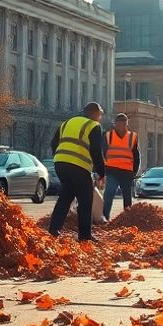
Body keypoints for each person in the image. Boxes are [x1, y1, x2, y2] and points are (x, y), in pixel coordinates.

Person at [48, 102, 108, 242]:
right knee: (85, 200)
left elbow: (53, 143)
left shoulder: (66, 123)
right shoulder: (93, 126)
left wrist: (60, 158)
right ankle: (84, 236)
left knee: (66, 196)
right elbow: (95, 152)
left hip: (61, 164)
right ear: (94, 113)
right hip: (79, 166)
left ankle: (53, 229)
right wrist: (101, 172)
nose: (100, 117)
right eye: (100, 114)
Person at [101, 113, 140, 220]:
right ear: (115, 124)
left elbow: (136, 155)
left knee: (127, 196)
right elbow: (103, 153)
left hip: (127, 173)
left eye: (124, 123)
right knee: (109, 193)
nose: (121, 125)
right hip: (112, 171)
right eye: (119, 123)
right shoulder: (108, 135)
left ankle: (127, 219)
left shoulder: (132, 136)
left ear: (127, 124)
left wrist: (135, 171)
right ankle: (104, 217)